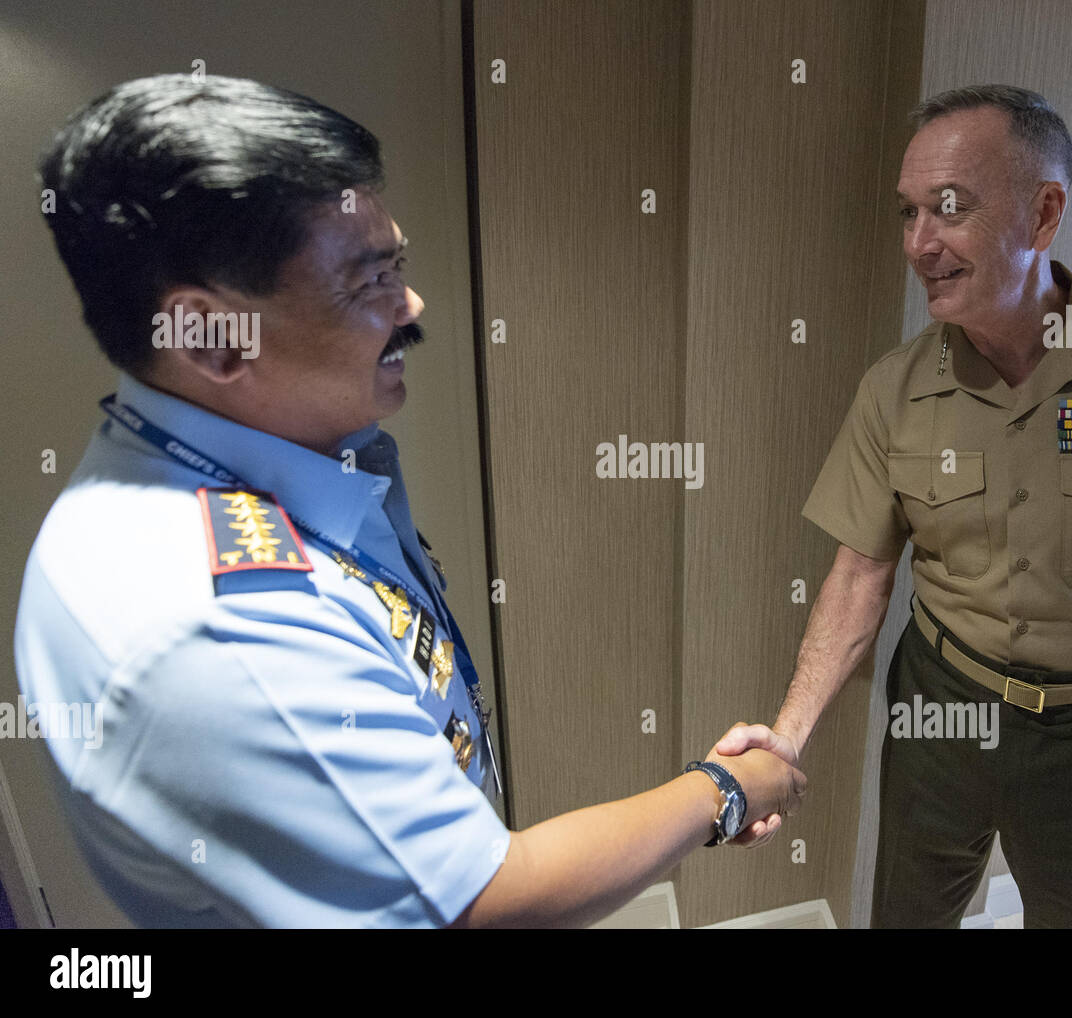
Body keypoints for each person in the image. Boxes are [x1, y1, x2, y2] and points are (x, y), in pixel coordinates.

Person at [14, 74, 803, 929]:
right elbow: (480, 901)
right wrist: (721, 789)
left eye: (401, 264)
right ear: (211, 335)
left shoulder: (292, 456)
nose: (411, 305)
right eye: (368, 282)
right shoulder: (217, 627)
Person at [716, 84, 1072, 927]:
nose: (920, 243)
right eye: (908, 212)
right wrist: (788, 735)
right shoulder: (896, 390)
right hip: (939, 711)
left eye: (948, 209)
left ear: (1044, 213)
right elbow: (859, 574)